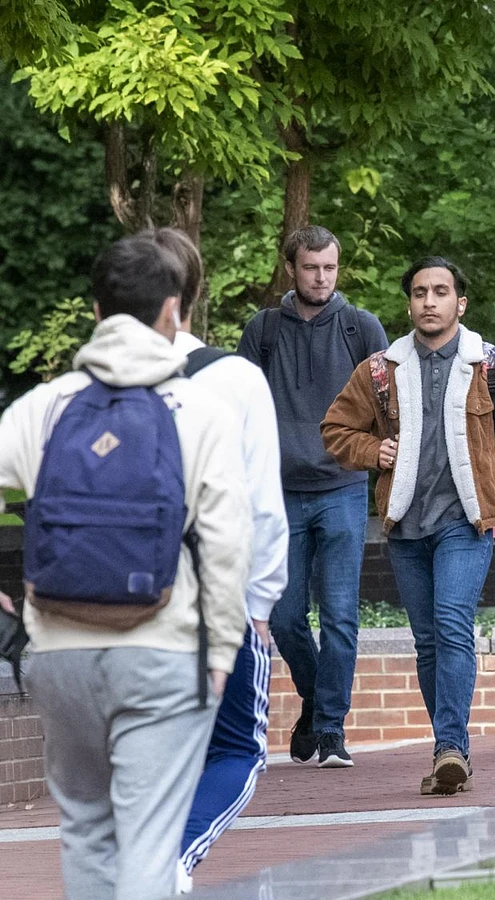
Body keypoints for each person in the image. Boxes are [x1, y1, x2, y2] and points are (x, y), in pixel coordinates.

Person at [0, 235, 250, 898]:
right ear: (173, 310)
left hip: (59, 651)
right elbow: (227, 543)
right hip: (164, 649)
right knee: (149, 838)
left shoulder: (43, 408)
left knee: (86, 827)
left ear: (95, 309)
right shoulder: (201, 411)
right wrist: (222, 649)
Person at [322, 256, 495, 794]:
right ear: (409, 303)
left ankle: (451, 748)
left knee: (452, 627)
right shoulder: (381, 370)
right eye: (420, 293)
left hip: (466, 522)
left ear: (461, 303)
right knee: (427, 642)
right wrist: (370, 448)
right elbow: (335, 428)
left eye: (441, 292)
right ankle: (447, 749)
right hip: (406, 527)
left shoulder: (494, 368)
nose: (429, 301)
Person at [147, 229, 288, 891]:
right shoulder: (234, 379)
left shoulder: (84, 381)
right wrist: (258, 605)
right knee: (237, 748)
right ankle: (170, 863)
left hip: (106, 606)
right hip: (208, 598)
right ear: (190, 297)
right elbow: (262, 503)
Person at [238, 226, 388, 768]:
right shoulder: (263, 331)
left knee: (342, 615)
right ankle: (315, 698)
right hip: (277, 493)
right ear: (291, 269)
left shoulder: (361, 328)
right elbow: (241, 413)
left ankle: (329, 730)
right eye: (311, 268)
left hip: (344, 487)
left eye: (330, 267)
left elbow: (392, 405)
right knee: (282, 619)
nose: (322, 277)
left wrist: (377, 456)